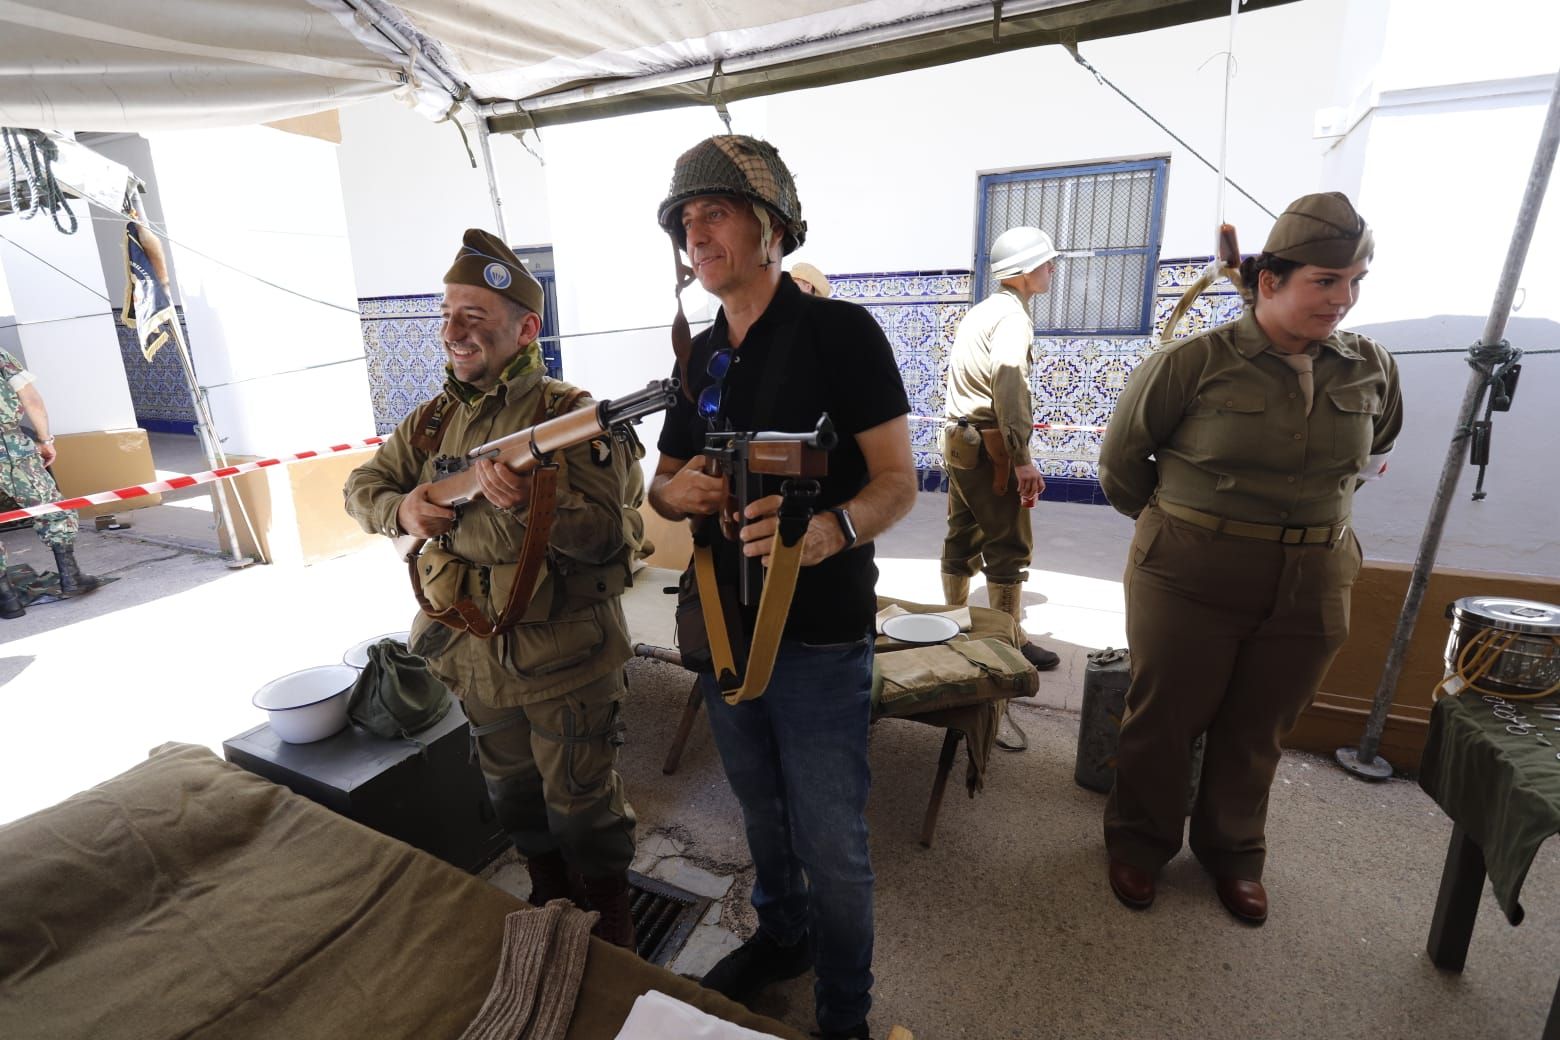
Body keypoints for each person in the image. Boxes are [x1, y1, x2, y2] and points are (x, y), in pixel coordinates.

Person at [648, 135, 915, 1040]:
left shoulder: (843, 334)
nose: (696, 232)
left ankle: (846, 1009)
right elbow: (666, 476)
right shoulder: (703, 358)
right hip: (727, 630)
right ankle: (782, 935)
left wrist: (830, 530)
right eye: (687, 220)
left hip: (823, 636)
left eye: (714, 212)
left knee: (833, 841)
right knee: (760, 812)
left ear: (771, 228)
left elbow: (898, 482)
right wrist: (671, 490)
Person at [1097, 192, 1401, 925]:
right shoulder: (1194, 364)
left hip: (1314, 577)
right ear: (1270, 281)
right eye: (1325, 281)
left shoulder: (1370, 367)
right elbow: (1119, 467)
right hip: (1190, 573)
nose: (1343, 298)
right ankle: (1140, 843)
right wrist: (1190, 529)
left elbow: (1378, 447)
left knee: (1260, 722)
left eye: (1355, 280)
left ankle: (1234, 852)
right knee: (1164, 715)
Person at [343, 229, 640, 947]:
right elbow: (363, 486)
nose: (453, 331)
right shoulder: (434, 420)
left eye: (474, 316)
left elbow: (611, 536)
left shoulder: (569, 418)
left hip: (563, 658)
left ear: (525, 329)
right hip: (471, 654)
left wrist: (528, 506)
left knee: (583, 809)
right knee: (512, 800)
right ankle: (547, 898)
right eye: (447, 314)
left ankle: (613, 932)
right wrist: (403, 508)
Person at [939, 226, 1061, 670]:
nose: (1052, 268)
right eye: (1047, 262)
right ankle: (1008, 641)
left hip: (958, 441)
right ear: (1026, 271)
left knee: (962, 534)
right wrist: (1022, 460)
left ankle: (950, 623)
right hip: (990, 446)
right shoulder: (1012, 318)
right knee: (1008, 544)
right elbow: (1010, 387)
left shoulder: (982, 311)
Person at [0, 348, 98, 619]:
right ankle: (71, 577)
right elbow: (31, 400)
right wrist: (45, 439)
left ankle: (7, 600)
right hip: (11, 449)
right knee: (50, 506)